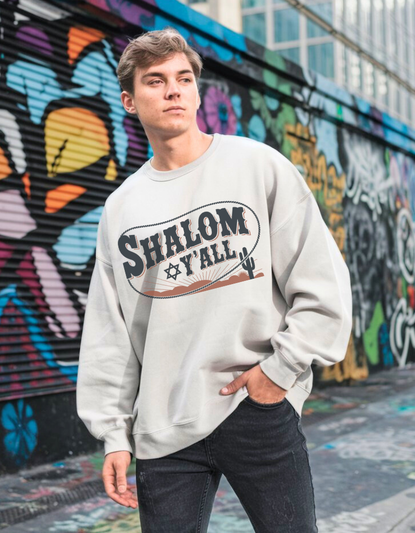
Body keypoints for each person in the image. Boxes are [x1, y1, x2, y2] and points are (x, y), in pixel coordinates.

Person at [76, 26, 352, 532]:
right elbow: (110, 332)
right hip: (164, 427)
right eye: (155, 81)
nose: (174, 91)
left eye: (184, 78)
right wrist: (114, 433)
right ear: (129, 101)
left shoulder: (256, 165)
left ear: (197, 91)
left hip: (254, 406)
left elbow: (322, 282)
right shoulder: (122, 207)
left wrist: (280, 371)